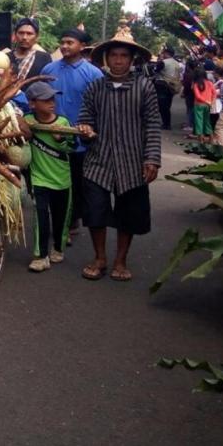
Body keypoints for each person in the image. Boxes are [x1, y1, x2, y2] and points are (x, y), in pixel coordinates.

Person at [77, 28, 162, 282]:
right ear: (106, 58)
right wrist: (86, 130)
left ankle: (120, 260)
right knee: (95, 210)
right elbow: (85, 118)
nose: (118, 60)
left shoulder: (145, 87)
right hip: (98, 160)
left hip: (132, 161)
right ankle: (100, 257)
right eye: (113, 55)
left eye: (124, 55)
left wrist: (152, 159)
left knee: (129, 213)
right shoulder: (95, 87)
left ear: (132, 58)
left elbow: (153, 124)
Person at [40, 28, 103, 238]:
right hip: (50, 136)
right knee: (51, 180)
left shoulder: (94, 73)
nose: (65, 46)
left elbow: (99, 106)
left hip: (80, 141)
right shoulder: (49, 69)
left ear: (81, 46)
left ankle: (73, 219)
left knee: (76, 182)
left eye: (70, 42)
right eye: (63, 42)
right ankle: (56, 218)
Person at [17, 82, 76, 272]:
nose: (51, 102)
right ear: (33, 104)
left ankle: (58, 248)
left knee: (60, 218)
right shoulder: (26, 120)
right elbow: (18, 133)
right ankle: (40, 256)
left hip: (62, 178)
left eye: (52, 98)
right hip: (38, 178)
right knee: (40, 216)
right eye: (45, 100)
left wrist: (60, 139)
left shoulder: (63, 123)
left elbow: (72, 148)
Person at [153, 47, 181, 130]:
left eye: (163, 53)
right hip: (172, 86)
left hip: (162, 85)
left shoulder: (163, 62)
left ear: (166, 53)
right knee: (167, 104)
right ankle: (166, 123)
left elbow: (155, 71)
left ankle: (166, 124)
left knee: (162, 105)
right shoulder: (177, 63)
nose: (162, 54)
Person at [192, 66, 216, 143]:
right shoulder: (210, 83)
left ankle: (201, 140)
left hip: (199, 105)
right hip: (208, 105)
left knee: (199, 122)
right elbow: (214, 93)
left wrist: (205, 101)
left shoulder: (196, 84)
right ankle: (211, 138)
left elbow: (198, 96)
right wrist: (211, 102)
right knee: (207, 121)